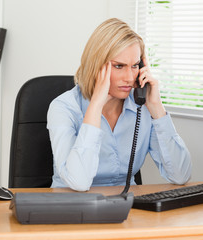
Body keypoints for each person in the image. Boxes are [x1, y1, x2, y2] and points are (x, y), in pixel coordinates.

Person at [47, 18, 191, 191]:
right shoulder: (64, 107)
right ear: (96, 65)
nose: (130, 78)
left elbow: (181, 175)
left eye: (135, 66)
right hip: (72, 206)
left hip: (127, 208)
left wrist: (157, 108)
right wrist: (96, 106)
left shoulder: (142, 106)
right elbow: (79, 182)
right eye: (119, 66)